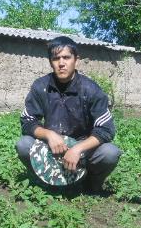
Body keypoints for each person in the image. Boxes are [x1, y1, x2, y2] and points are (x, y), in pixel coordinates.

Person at [16, 36, 121, 192]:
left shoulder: (91, 90)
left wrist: (78, 149)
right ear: (50, 62)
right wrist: (49, 135)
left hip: (83, 150)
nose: (61, 63)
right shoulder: (40, 86)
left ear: (76, 60)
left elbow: (106, 130)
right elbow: (28, 121)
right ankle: (45, 182)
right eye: (56, 58)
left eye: (66, 57)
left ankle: (90, 184)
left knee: (110, 153)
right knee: (24, 145)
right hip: (52, 147)